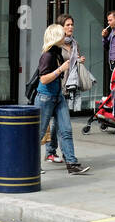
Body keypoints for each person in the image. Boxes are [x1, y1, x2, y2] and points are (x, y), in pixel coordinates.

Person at [34, 24, 89, 174]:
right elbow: (44, 79)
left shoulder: (57, 52)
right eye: (61, 34)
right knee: (39, 133)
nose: (65, 36)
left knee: (66, 130)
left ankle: (72, 163)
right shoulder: (47, 55)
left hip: (58, 96)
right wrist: (60, 69)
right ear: (56, 37)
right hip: (45, 97)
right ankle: (32, 164)